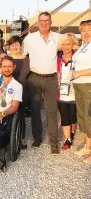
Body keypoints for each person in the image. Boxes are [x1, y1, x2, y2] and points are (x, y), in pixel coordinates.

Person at [23, 11, 60, 154]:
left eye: (47, 20)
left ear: (51, 22)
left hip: (51, 79)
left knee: (51, 111)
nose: (44, 23)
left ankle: (53, 142)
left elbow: (69, 49)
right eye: (42, 20)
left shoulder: (58, 37)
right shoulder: (29, 38)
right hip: (34, 78)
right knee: (35, 110)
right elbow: (21, 54)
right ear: (38, 23)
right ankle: (37, 138)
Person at [72, 20, 91, 164]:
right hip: (79, 85)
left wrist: (79, 73)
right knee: (83, 116)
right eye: (83, 30)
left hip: (88, 84)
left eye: (89, 30)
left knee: (90, 116)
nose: (85, 32)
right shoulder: (83, 46)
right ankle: (88, 145)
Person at [57, 33, 79, 150]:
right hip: (61, 93)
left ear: (73, 45)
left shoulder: (77, 58)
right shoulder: (57, 58)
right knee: (64, 115)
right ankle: (67, 139)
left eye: (68, 44)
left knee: (73, 115)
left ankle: (72, 131)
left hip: (75, 92)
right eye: (63, 44)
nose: (65, 47)